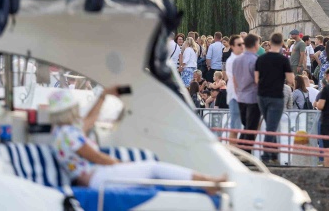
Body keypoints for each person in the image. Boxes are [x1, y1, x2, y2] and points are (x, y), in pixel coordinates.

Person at [48, 88, 226, 192]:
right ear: (70, 111)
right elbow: (97, 158)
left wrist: (104, 95)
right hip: (98, 179)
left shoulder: (61, 132)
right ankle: (207, 182)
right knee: (153, 168)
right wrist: (121, 164)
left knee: (152, 171)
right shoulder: (69, 134)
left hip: (94, 177)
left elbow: (89, 121)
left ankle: (205, 183)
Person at [255, 32, 294, 163]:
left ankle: (274, 154)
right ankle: (266, 156)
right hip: (276, 96)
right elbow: (290, 79)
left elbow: (256, 79)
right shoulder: (283, 60)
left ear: (270, 43)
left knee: (271, 123)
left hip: (261, 95)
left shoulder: (260, 59)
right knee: (271, 127)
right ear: (282, 43)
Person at [230, 34, 261, 142]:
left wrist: (238, 93)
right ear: (255, 44)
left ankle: (242, 152)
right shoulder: (256, 60)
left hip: (240, 97)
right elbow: (257, 80)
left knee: (246, 127)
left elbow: (234, 80)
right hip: (252, 98)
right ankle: (244, 154)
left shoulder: (237, 60)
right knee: (250, 130)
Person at [224, 36, 244, 132]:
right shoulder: (231, 61)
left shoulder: (244, 58)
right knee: (235, 125)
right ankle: (233, 145)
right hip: (236, 96)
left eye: (243, 43)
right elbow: (236, 79)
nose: (242, 46)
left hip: (245, 95)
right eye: (239, 44)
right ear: (232, 46)